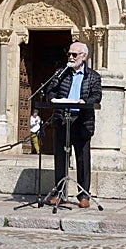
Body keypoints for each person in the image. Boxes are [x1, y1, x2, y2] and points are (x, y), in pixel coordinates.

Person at [44, 41, 102, 208]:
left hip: (82, 121)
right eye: (69, 54)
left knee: (82, 159)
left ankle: (84, 195)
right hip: (63, 119)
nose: (70, 57)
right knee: (61, 158)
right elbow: (51, 91)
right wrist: (52, 99)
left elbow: (97, 95)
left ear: (83, 56)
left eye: (74, 54)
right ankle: (59, 193)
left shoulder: (93, 76)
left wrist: (85, 101)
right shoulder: (61, 73)